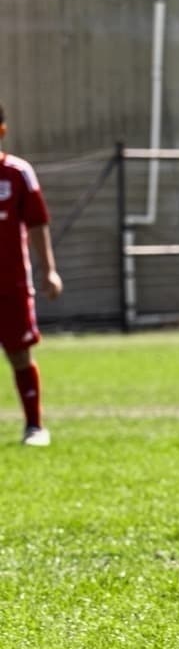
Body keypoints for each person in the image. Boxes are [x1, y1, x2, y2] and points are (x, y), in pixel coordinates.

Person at [0, 103, 62, 446]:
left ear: (2, 131)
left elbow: (37, 223)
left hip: (11, 284)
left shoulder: (18, 173)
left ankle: (35, 427)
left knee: (20, 354)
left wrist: (49, 270)